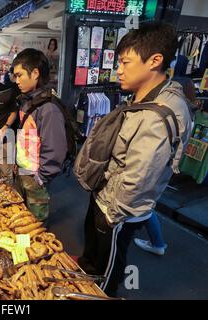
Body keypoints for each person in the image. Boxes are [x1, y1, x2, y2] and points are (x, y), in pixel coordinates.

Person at [77, 22, 192, 296]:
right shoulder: (143, 98)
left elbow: (138, 180)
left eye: (125, 62)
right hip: (105, 196)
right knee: (94, 257)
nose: (119, 69)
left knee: (109, 267)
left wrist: (111, 217)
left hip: (117, 210)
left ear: (155, 61)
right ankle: (85, 276)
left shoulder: (157, 116)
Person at [133, 65, 197, 256]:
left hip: (161, 166)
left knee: (146, 206)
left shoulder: (178, 112)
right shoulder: (187, 111)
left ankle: (158, 243)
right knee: (147, 204)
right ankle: (155, 241)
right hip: (166, 165)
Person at [11, 48, 68, 222]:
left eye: (20, 75)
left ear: (35, 73)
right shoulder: (28, 102)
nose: (16, 81)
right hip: (23, 170)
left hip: (35, 176)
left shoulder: (48, 108)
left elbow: (55, 149)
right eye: (15, 76)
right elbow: (26, 138)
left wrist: (41, 178)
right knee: (20, 216)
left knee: (35, 223)